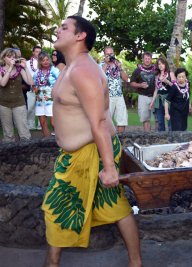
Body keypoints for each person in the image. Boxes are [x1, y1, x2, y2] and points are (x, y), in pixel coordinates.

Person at [41, 16, 142, 267]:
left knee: (57, 207)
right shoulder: (71, 68)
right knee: (114, 207)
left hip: (91, 151)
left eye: (64, 27)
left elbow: (98, 121)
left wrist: (109, 168)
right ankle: (135, 262)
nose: (57, 30)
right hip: (79, 154)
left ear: (80, 36)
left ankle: (52, 263)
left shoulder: (84, 70)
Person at [0, 48, 33, 141]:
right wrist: (10, 68)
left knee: (24, 131)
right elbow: (3, 83)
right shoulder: (0, 69)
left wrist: (26, 67)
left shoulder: (20, 69)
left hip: (19, 103)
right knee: (8, 133)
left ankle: (27, 152)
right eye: (9, 57)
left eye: (13, 57)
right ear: (4, 58)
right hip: (4, 104)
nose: (11, 59)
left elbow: (30, 82)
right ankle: (9, 153)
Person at [99, 46, 129, 133]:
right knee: (106, 122)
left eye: (111, 54)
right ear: (104, 55)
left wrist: (120, 68)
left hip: (119, 96)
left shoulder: (118, 64)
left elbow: (126, 79)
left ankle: (120, 141)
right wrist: (106, 64)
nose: (110, 56)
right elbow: (99, 77)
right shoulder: (100, 65)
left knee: (122, 120)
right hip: (107, 97)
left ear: (114, 54)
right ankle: (109, 143)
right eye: (107, 54)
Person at [32, 52, 60, 137]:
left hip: (51, 100)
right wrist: (34, 89)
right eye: (43, 60)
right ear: (40, 62)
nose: (45, 62)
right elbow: (33, 86)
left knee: (54, 122)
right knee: (42, 122)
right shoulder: (37, 72)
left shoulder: (54, 70)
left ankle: (60, 142)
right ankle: (47, 142)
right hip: (40, 101)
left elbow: (62, 82)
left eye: (47, 59)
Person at [130, 51, 156, 132]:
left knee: (158, 118)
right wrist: (140, 85)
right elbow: (132, 83)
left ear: (151, 59)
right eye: (145, 58)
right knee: (145, 119)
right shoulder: (137, 71)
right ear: (143, 59)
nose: (147, 60)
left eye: (149, 58)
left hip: (155, 97)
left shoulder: (156, 70)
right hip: (143, 97)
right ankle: (147, 137)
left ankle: (157, 138)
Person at [150, 56, 176, 131]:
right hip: (159, 100)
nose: (161, 65)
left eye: (162, 64)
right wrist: (152, 102)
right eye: (159, 64)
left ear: (165, 64)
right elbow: (156, 90)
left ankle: (172, 137)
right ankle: (162, 138)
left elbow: (175, 87)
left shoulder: (170, 73)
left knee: (169, 120)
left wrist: (166, 81)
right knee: (160, 121)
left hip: (168, 99)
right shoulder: (157, 76)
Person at [26, 45, 42, 130]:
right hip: (31, 87)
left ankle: (40, 125)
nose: (38, 53)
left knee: (41, 106)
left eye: (40, 52)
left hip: (42, 88)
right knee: (30, 107)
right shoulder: (28, 63)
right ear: (33, 52)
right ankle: (30, 124)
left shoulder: (44, 62)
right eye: (37, 51)